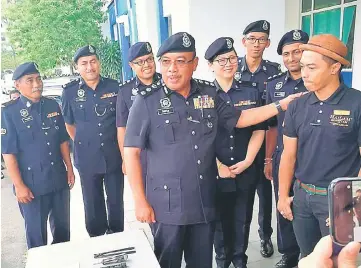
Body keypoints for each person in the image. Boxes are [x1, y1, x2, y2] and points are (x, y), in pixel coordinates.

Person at [123, 32, 300, 268]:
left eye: (180, 61)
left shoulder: (208, 94)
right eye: (166, 62)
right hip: (167, 204)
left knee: (202, 262)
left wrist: (281, 104)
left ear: (195, 64)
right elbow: (131, 152)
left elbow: (241, 118)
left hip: (203, 200)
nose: (172, 69)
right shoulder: (146, 101)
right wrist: (140, 201)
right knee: (168, 262)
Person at [277, 34, 361, 257]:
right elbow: (288, 154)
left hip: (341, 199)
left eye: (312, 67)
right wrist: (283, 195)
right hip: (303, 197)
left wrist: (352, 203)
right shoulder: (298, 105)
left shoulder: (356, 103)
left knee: (341, 258)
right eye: (303, 66)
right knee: (308, 256)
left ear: (334, 68)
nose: (304, 73)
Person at [205, 37, 265, 268]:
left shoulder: (251, 91)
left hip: (245, 169)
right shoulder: (204, 95)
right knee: (219, 223)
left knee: (242, 221)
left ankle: (240, 262)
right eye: (222, 60)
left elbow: (259, 129)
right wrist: (218, 165)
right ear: (210, 65)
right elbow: (201, 135)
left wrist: (249, 160)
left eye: (232, 58)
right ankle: (222, 262)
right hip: (216, 171)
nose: (229, 63)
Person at [1, 62, 74, 249]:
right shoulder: (9, 113)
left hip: (57, 179)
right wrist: (19, 186)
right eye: (30, 80)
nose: (37, 84)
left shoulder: (51, 105)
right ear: (17, 85)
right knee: (37, 239)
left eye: (38, 78)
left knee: (63, 234)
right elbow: (8, 153)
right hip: (31, 185)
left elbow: (62, 141)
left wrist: (70, 170)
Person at [61, 45, 124, 237]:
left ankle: (116, 235)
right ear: (77, 67)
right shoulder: (70, 92)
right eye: (84, 63)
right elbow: (69, 124)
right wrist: (85, 142)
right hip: (87, 157)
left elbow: (122, 122)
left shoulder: (114, 87)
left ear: (99, 63)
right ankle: (96, 238)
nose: (89, 67)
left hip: (113, 155)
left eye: (93, 61)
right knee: (92, 202)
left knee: (115, 200)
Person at [236, 20, 281, 257]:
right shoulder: (233, 68)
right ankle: (239, 244)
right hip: (240, 142)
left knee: (265, 194)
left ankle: (265, 237)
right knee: (242, 199)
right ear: (244, 41)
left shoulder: (274, 72)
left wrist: (269, 155)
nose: (256, 44)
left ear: (268, 43)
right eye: (252, 39)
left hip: (267, 142)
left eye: (261, 39)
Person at [264, 29, 309, 267]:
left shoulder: (316, 81)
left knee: (307, 206)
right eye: (286, 53)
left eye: (298, 52)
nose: (292, 58)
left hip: (311, 156)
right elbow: (271, 127)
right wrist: (269, 159)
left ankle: (308, 252)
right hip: (283, 156)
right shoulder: (274, 85)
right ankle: (289, 253)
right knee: (283, 202)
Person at [116, 42, 161, 178]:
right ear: (131, 65)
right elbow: (122, 128)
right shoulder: (125, 91)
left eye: (149, 59)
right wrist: (126, 159)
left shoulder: (167, 83)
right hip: (140, 155)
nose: (146, 65)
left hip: (167, 152)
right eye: (140, 62)